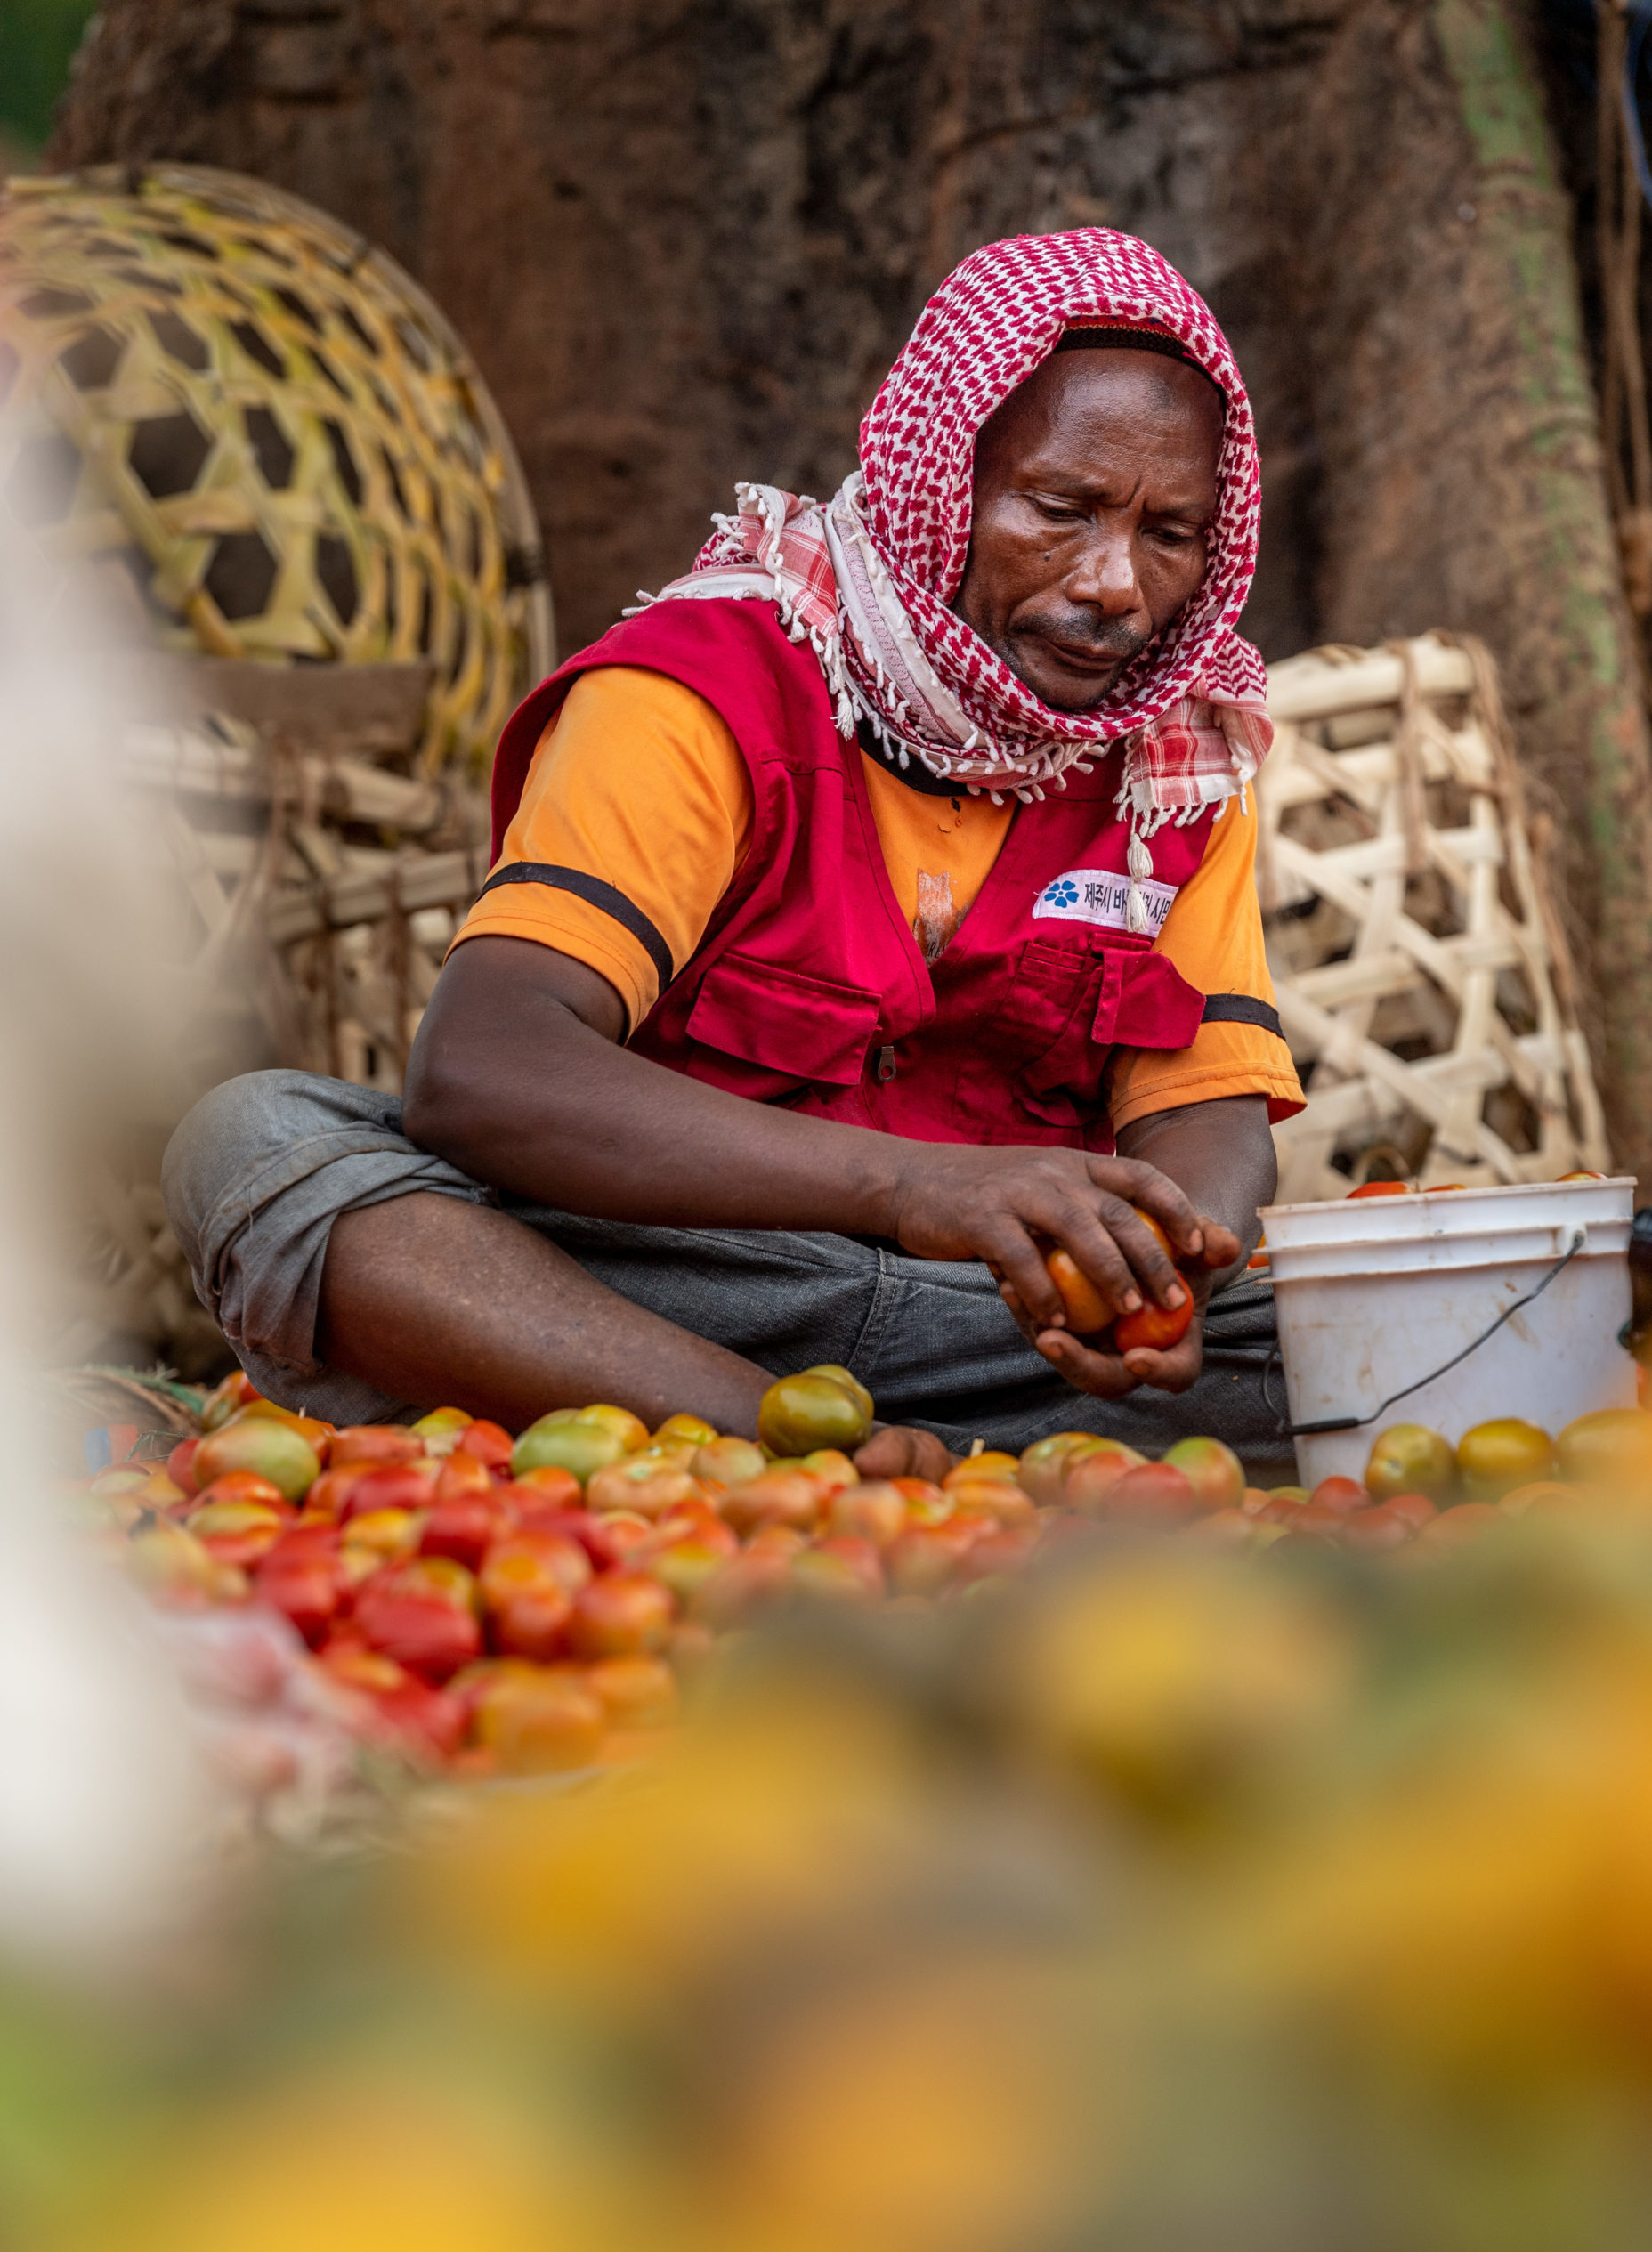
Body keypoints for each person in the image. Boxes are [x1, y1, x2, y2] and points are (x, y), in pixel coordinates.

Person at [165, 229, 1304, 1475]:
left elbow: (1207, 1111)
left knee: (1390, 1323)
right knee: (259, 1142)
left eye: (1171, 534)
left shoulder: (1176, 752)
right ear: (943, 477)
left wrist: (1172, 1261)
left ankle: (826, 1446)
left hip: (1010, 1327)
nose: (1116, 589)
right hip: (681, 1293)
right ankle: (778, 1438)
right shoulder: (704, 685)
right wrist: (912, 1191)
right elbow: (482, 1069)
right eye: (1060, 509)